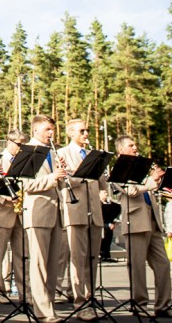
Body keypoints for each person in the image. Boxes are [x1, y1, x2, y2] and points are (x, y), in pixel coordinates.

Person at [109, 135, 172, 317]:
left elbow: (150, 187)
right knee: (137, 266)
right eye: (131, 145)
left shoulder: (142, 166)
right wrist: (150, 181)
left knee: (163, 264)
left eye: (135, 144)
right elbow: (131, 190)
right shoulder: (119, 169)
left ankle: (163, 306)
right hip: (136, 220)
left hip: (153, 219)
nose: (135, 148)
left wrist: (158, 180)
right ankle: (139, 305)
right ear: (121, 150)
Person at [22, 114, 68, 322]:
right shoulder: (28, 151)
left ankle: (49, 306)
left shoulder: (51, 152)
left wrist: (61, 175)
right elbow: (26, 185)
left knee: (52, 264)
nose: (51, 133)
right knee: (39, 264)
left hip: (54, 211)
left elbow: (56, 183)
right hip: (38, 212)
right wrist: (53, 177)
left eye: (52, 130)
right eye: (47, 129)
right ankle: (42, 310)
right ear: (35, 130)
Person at [58, 118, 103, 317]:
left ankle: (90, 297)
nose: (86, 134)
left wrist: (103, 190)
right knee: (78, 259)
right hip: (75, 211)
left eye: (87, 130)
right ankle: (79, 304)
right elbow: (65, 180)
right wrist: (82, 173)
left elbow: (101, 180)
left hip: (95, 212)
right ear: (71, 133)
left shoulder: (92, 154)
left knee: (92, 259)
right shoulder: (62, 153)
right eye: (82, 131)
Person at [0, 129, 28, 302]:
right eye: (19, 144)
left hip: (21, 213)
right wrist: (7, 199)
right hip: (2, 211)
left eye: (23, 145)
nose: (21, 148)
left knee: (21, 254)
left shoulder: (24, 160)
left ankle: (24, 292)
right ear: (9, 141)